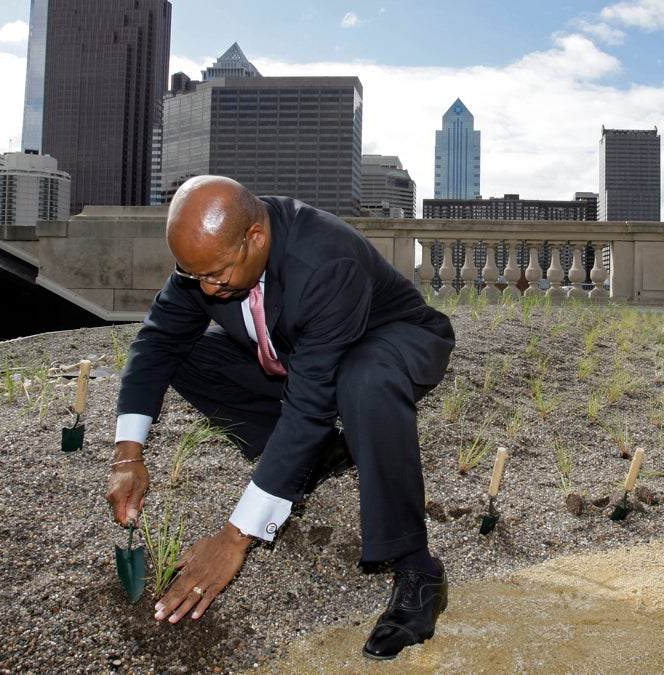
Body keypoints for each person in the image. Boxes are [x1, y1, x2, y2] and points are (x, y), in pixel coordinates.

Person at [104, 175, 455, 660]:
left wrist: (234, 537)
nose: (206, 287)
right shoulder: (208, 259)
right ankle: (316, 458)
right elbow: (157, 342)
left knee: (363, 377)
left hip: (390, 344)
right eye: (193, 275)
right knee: (184, 355)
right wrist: (128, 452)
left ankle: (418, 568)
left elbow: (308, 405)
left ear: (255, 238)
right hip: (303, 353)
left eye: (218, 275)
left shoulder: (325, 260)